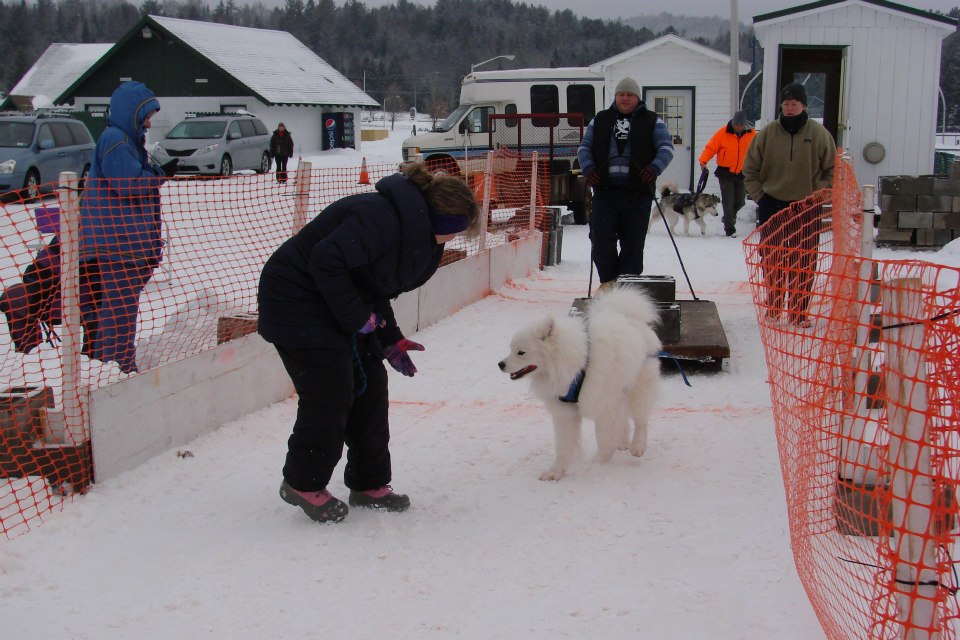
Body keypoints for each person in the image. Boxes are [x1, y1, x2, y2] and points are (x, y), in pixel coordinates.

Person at [258, 162, 481, 523]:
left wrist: (388, 338)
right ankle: (302, 481)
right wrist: (357, 320)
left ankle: (368, 482)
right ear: (443, 222)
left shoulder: (410, 228)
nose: (455, 239)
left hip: (331, 299)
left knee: (372, 386)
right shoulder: (379, 218)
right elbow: (326, 262)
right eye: (456, 232)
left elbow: (370, 284)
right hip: (294, 300)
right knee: (332, 387)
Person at [79, 81, 177, 374]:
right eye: (145, 116)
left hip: (126, 243)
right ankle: (117, 367)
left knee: (119, 310)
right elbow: (127, 184)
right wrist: (159, 175)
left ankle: (109, 366)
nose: (148, 123)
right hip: (118, 244)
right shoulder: (116, 140)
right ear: (131, 113)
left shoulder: (125, 141)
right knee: (119, 313)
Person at [742, 82, 836, 327]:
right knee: (772, 259)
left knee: (804, 261)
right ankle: (774, 308)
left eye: (794, 103)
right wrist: (760, 197)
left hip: (807, 206)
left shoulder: (819, 134)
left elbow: (833, 170)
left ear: (804, 105)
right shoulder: (767, 134)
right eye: (786, 104)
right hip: (772, 205)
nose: (790, 108)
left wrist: (820, 194)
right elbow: (750, 170)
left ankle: (799, 313)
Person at [577, 77, 674, 291]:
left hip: (638, 193)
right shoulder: (601, 119)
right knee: (600, 238)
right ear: (616, 97)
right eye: (621, 94)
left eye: (629, 95)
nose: (625, 98)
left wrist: (654, 168)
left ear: (637, 98)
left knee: (633, 242)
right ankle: (608, 281)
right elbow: (584, 148)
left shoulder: (652, 120)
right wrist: (589, 169)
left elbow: (667, 148)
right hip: (605, 191)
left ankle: (628, 285)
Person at [698, 110, 756, 237]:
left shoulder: (751, 135)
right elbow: (710, 148)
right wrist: (703, 161)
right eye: (736, 124)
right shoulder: (723, 132)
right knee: (728, 201)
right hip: (725, 172)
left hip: (742, 172)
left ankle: (728, 218)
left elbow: (758, 152)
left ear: (744, 124)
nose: (738, 127)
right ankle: (729, 228)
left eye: (740, 124)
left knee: (740, 201)